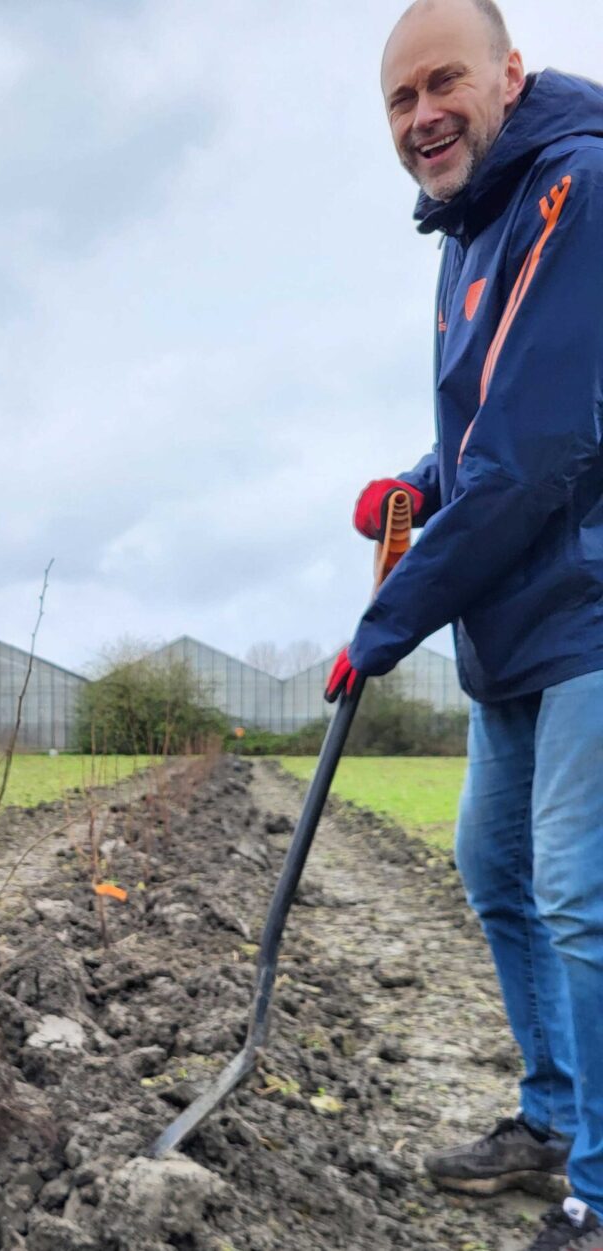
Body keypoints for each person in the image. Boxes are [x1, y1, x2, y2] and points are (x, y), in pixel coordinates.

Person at [326, 2, 603, 1245]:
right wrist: (417, 483)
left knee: (580, 895)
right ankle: (553, 1118)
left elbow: (540, 447)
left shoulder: (577, 191)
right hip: (515, 615)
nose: (424, 115)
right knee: (496, 871)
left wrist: (387, 621)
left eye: (445, 83)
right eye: (401, 99)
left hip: (590, 605)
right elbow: (489, 431)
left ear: (510, 76)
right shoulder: (473, 224)